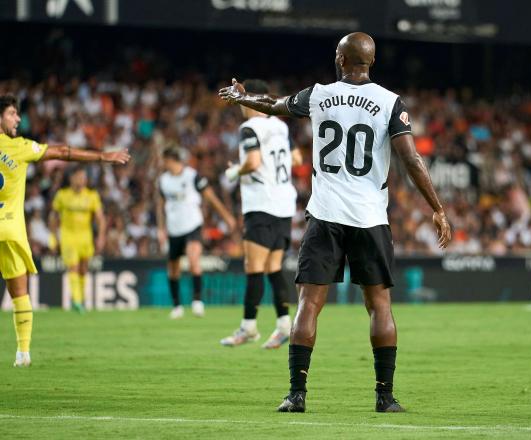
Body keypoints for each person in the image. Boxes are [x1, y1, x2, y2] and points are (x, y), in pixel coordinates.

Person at [218, 32, 451, 412]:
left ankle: (296, 395)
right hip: (370, 217)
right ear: (370, 61)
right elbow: (411, 160)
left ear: (341, 59)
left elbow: (273, 105)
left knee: (308, 304)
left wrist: (241, 97)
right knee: (379, 306)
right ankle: (384, 397)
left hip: (325, 214)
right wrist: (437, 208)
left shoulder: (319, 94)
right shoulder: (390, 102)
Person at [0, 94, 130, 367]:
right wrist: (102, 156)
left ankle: (24, 353)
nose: (18, 118)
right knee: (19, 290)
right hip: (9, 227)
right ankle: (23, 352)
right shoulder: (20, 147)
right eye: (12, 113)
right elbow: (63, 152)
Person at [220, 79, 302, 349]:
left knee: (253, 268)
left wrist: (234, 171)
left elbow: (253, 163)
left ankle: (248, 327)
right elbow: (298, 160)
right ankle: (282, 326)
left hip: (261, 203)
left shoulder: (249, 128)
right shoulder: (280, 125)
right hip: (284, 204)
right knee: (274, 268)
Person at [156, 147, 236, 319]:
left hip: (192, 224)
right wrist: (161, 228)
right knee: (173, 268)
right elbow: (160, 206)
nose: (163, 164)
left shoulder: (192, 176)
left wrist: (227, 216)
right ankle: (177, 306)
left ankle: (197, 302)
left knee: (194, 260)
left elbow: (210, 197)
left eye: (165, 160)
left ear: (171, 160)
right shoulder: (163, 180)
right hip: (174, 227)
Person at [50, 166, 106, 313]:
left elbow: (100, 218)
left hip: (85, 237)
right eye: (79, 177)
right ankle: (77, 301)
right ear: (72, 178)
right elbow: (54, 217)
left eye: (84, 177)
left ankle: (80, 299)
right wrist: (53, 237)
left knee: (83, 269)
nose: (82, 180)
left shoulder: (92, 196)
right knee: (73, 267)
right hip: (68, 236)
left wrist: (100, 236)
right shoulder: (62, 195)